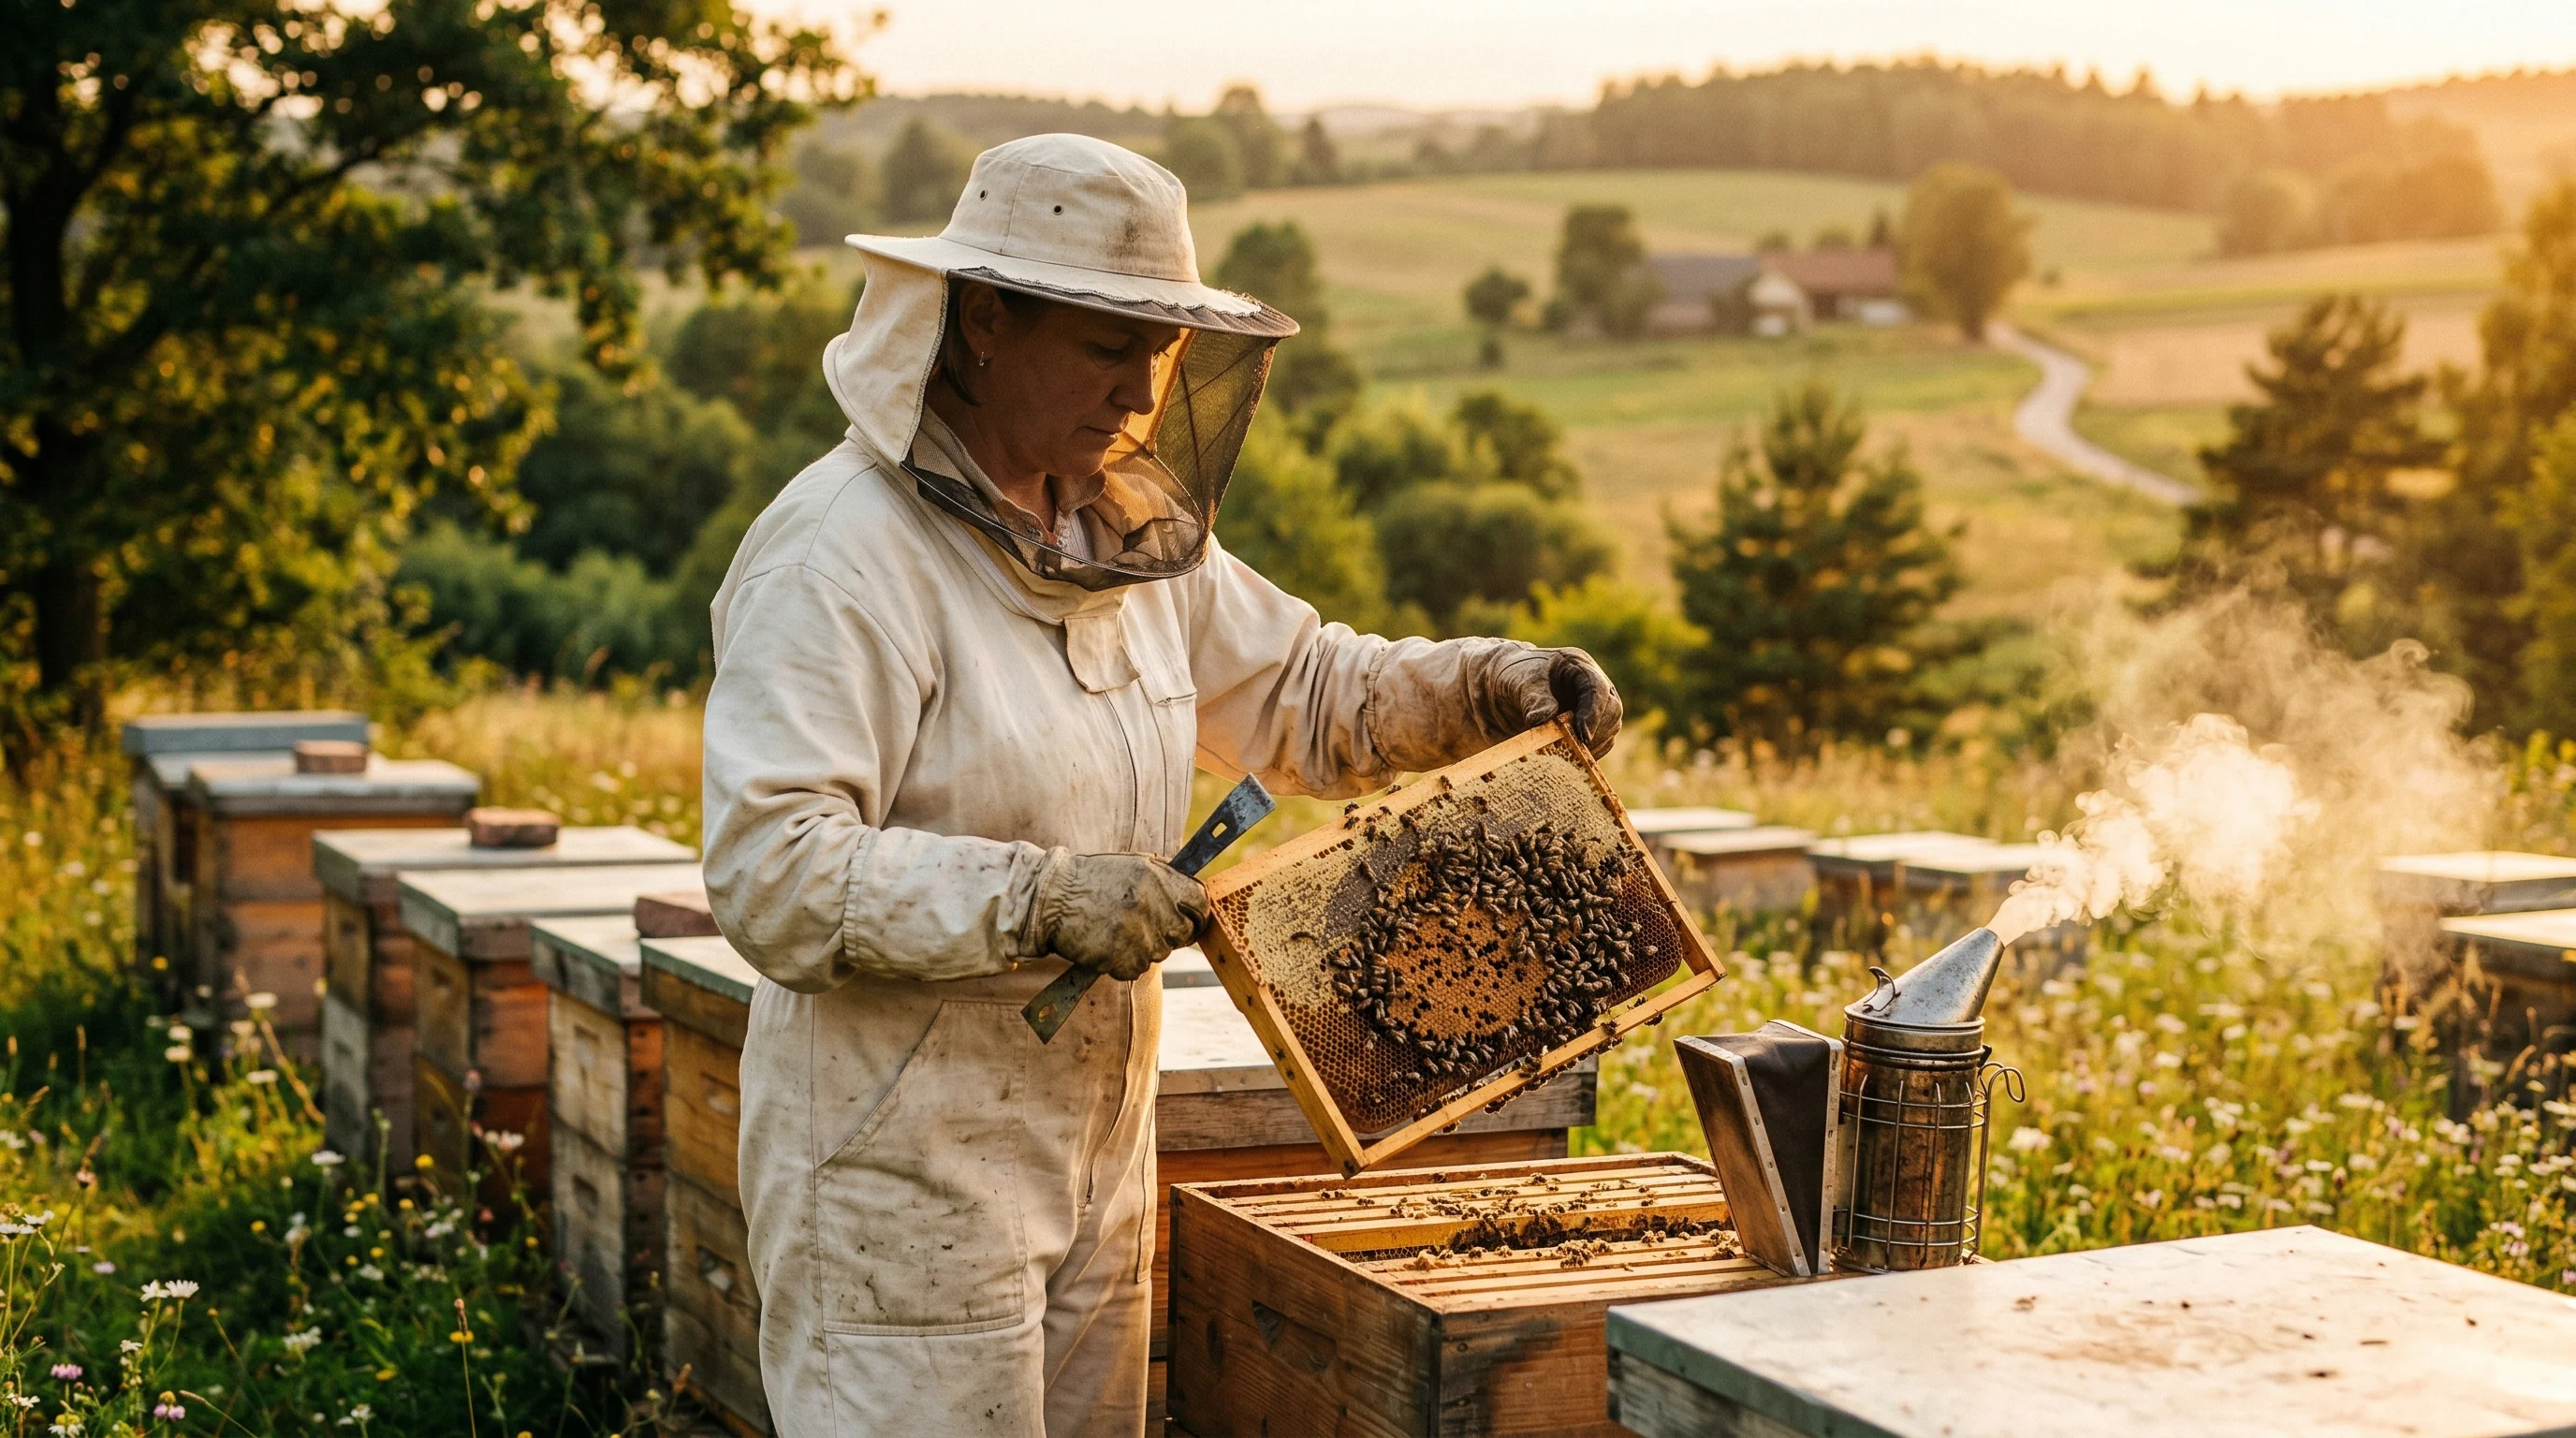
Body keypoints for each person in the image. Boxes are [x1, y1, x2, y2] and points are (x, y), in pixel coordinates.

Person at [700, 133, 1621, 1437]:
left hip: (1092, 1148)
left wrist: (1487, 687)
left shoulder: (1122, 537)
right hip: (895, 1175)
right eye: (1102, 343)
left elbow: (1304, 694)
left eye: (1163, 348)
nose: (1141, 385)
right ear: (977, 324)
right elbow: (774, 874)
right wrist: (1044, 898)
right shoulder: (842, 556)